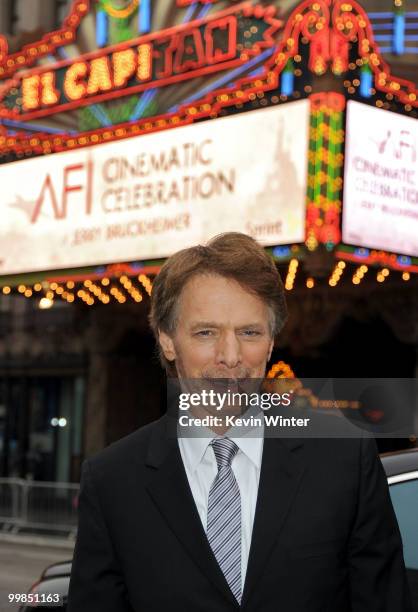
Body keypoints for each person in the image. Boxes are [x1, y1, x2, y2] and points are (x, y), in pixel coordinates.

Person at [67, 232, 413, 612]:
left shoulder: (346, 458)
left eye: (249, 332)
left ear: (269, 343)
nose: (230, 356)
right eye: (206, 332)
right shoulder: (112, 481)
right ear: (167, 340)